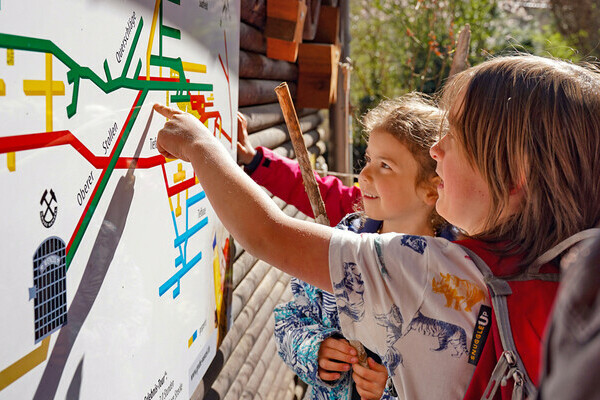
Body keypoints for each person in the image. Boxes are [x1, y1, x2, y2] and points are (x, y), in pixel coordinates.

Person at [152, 54, 600, 399]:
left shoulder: (427, 271)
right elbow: (332, 195)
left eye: (457, 136)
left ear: (512, 173)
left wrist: (198, 145)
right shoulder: (570, 272)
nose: (438, 149)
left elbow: (269, 235)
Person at [238, 95, 447, 400]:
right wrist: (315, 349)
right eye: (368, 160)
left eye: (385, 165)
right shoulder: (346, 238)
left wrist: (388, 390)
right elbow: (290, 320)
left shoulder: (451, 281)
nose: (364, 175)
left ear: (432, 188)